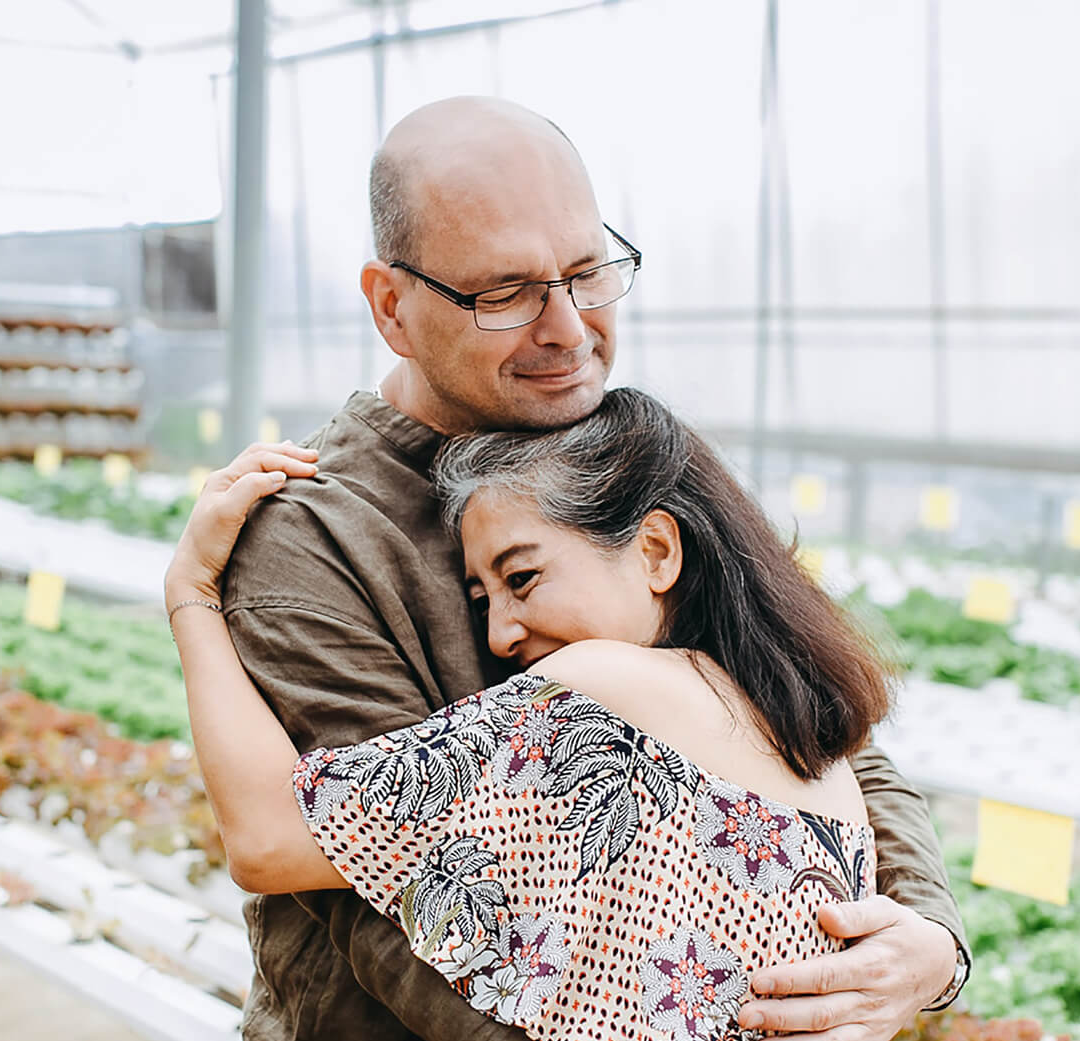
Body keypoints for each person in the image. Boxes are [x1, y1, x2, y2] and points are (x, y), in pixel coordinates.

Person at [197, 96, 968, 1041]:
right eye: (505, 293)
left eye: (587, 272)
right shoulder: (312, 532)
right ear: (391, 306)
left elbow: (807, 713)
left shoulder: (613, 448)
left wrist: (927, 942)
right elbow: (389, 909)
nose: (567, 328)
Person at [166, 388, 907, 1039]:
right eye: (483, 597)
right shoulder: (829, 767)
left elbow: (268, 839)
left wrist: (192, 593)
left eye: (522, 576)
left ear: (655, 550)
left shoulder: (599, 690)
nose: (499, 634)